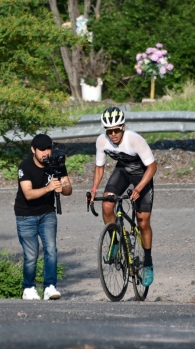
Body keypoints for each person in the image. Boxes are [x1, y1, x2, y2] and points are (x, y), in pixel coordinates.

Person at [87, 107, 157, 286]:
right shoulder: (102, 141)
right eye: (109, 131)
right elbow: (100, 167)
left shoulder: (135, 140)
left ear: (123, 127)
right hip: (123, 172)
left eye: (116, 130)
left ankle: (147, 262)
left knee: (143, 221)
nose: (113, 134)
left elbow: (152, 167)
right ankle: (115, 242)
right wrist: (94, 189)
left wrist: (139, 188)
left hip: (142, 175)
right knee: (107, 205)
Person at [14, 134, 72, 300]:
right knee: (31, 255)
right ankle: (28, 288)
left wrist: (62, 187)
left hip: (47, 213)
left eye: (48, 148)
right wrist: (49, 188)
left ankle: (50, 286)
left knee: (51, 250)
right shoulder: (25, 167)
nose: (46, 152)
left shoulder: (57, 163)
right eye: (42, 149)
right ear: (33, 150)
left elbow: (69, 189)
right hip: (26, 216)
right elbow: (28, 194)